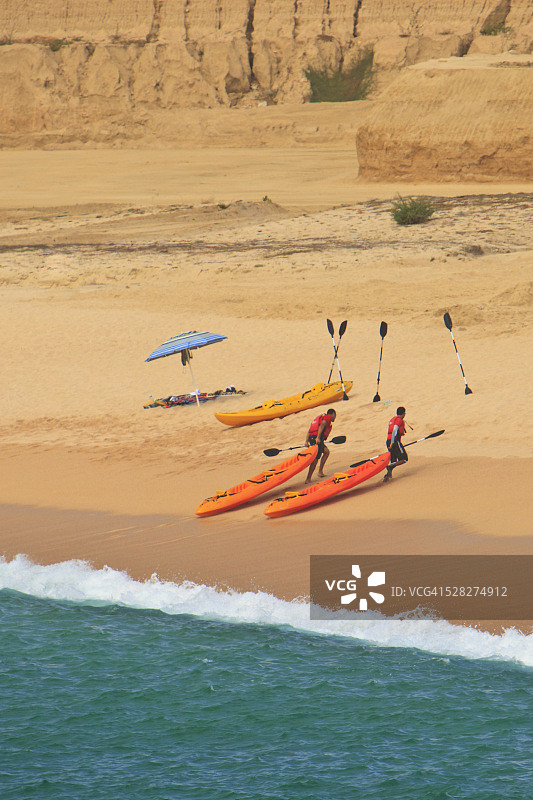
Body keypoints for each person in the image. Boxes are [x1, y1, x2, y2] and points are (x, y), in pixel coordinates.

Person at [305, 408, 337, 483]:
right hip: (317, 438)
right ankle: (308, 479)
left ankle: (320, 472)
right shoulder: (328, 417)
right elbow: (322, 424)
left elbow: (310, 430)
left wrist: (306, 441)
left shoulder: (320, 418)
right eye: (335, 415)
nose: (335, 417)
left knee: (326, 452)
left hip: (312, 438)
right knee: (316, 459)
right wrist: (318, 438)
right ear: (333, 414)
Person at [383, 406, 408, 483]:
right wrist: (392, 442)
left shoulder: (393, 419)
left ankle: (387, 477)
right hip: (394, 441)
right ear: (403, 413)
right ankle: (390, 467)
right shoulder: (399, 420)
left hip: (388, 441)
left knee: (393, 461)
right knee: (404, 459)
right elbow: (394, 431)